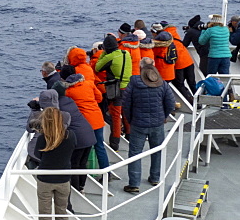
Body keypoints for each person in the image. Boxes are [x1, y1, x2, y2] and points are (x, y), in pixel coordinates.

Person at [121, 58, 176, 193]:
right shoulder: (161, 83)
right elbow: (170, 103)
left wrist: (130, 119)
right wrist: (163, 116)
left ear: (140, 68)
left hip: (138, 123)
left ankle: (134, 184)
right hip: (157, 123)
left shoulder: (133, 82)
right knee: (157, 150)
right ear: (153, 66)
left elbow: (126, 104)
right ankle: (155, 178)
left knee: (135, 153)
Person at [32, 107, 76, 220]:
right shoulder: (70, 135)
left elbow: (36, 154)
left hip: (45, 180)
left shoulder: (42, 138)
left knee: (45, 214)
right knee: (61, 213)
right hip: (63, 180)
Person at [64, 73, 110, 170]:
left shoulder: (69, 92)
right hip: (97, 119)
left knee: (83, 148)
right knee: (100, 147)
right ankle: (106, 172)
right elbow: (99, 98)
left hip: (85, 123)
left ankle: (82, 172)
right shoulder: (89, 84)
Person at [95, 34, 132, 150]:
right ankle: (130, 136)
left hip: (116, 90)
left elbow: (97, 68)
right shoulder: (126, 53)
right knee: (126, 113)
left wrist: (103, 53)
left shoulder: (109, 57)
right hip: (128, 87)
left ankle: (114, 143)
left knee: (116, 116)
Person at [164, 22, 197, 99]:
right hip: (188, 61)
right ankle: (200, 99)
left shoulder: (165, 36)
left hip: (179, 64)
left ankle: (190, 101)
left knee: (179, 84)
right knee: (192, 83)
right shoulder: (175, 34)